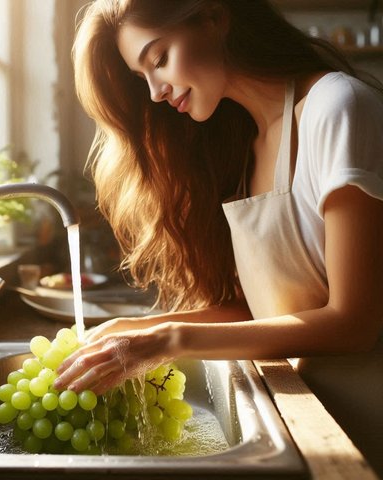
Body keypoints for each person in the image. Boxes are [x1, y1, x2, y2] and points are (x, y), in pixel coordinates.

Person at [54, 0, 383, 473]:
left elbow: (354, 322)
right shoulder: (244, 142)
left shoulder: (337, 108)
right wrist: (135, 331)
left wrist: (170, 337)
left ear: (213, 16)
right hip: (306, 411)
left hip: (366, 422)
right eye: (141, 76)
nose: (154, 92)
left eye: (159, 58)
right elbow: (270, 311)